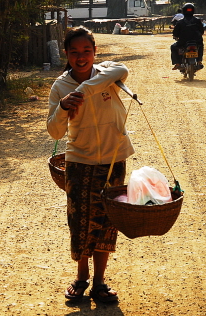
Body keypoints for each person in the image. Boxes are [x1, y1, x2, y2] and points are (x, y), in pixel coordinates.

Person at [47, 27, 134, 302]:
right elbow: (54, 132)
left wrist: (85, 89)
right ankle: (82, 277)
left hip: (113, 159)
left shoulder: (107, 74)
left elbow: (122, 69)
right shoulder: (60, 86)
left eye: (87, 51)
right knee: (81, 222)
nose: (81, 57)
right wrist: (62, 107)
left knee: (107, 221)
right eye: (74, 52)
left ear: (95, 52)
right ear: (67, 54)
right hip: (80, 162)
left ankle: (99, 282)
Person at [171, 3, 205, 70]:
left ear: (183, 11)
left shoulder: (180, 22)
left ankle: (177, 64)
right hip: (197, 41)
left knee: (173, 47)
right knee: (200, 46)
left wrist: (175, 36)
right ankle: (199, 61)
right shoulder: (197, 21)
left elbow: (175, 33)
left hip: (183, 42)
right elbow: (202, 31)